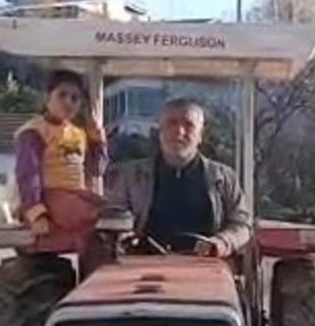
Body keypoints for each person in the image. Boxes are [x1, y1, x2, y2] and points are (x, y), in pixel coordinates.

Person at [105, 98, 252, 256]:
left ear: (200, 135)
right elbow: (115, 217)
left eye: (189, 125)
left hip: (207, 266)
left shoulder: (224, 178)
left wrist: (221, 243)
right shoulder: (130, 176)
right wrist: (124, 237)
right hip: (144, 266)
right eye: (172, 123)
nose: (179, 132)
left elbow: (242, 224)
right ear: (160, 131)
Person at [13, 70, 107, 237]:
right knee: (95, 217)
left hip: (76, 197)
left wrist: (98, 142)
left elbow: (96, 170)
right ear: (48, 98)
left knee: (115, 215)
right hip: (49, 197)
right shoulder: (35, 132)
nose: (68, 102)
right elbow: (28, 176)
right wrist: (36, 214)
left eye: (74, 98)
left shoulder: (79, 133)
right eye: (62, 95)